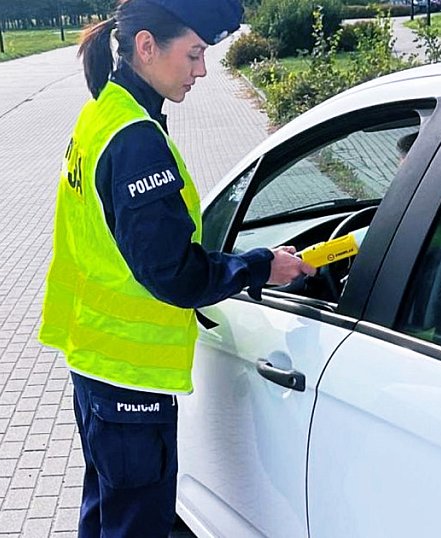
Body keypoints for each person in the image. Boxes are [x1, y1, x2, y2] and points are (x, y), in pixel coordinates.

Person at [37, 1, 314, 536]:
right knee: (135, 525)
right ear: (146, 46)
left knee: (105, 513)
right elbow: (174, 275)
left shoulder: (101, 114)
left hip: (96, 364)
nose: (201, 70)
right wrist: (260, 266)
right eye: (193, 54)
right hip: (129, 380)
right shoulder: (136, 140)